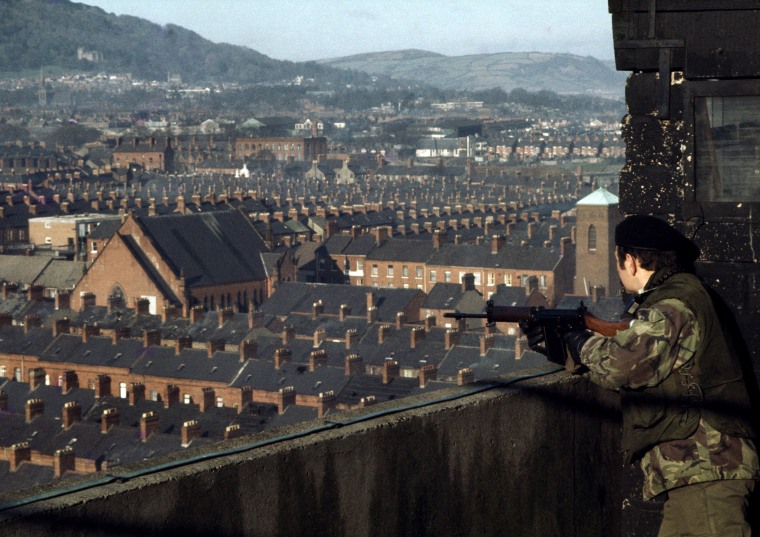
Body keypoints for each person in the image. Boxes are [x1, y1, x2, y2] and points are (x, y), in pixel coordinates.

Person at [523, 214, 759, 536]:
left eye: (619, 261)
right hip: (700, 474)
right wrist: (565, 352)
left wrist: (577, 342)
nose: (619, 270)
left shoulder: (672, 306)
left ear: (631, 262)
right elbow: (640, 368)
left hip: (708, 471)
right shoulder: (679, 295)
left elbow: (622, 364)